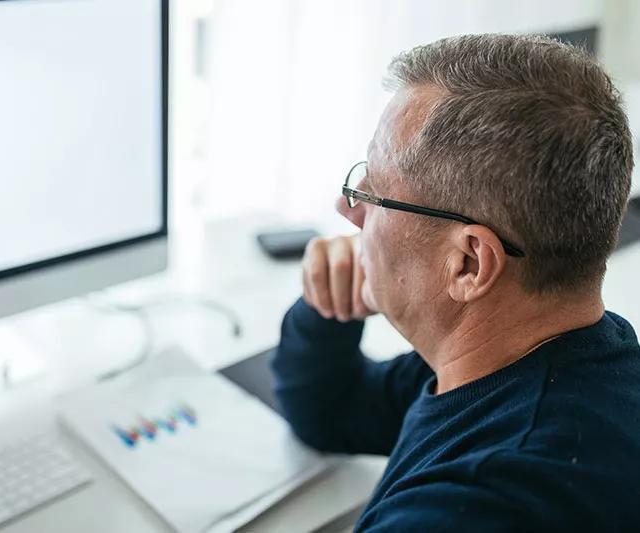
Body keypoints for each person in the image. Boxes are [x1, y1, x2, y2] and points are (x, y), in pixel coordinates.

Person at [271, 33, 640, 531]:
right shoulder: (561, 355)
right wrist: (327, 304)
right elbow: (331, 411)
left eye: (375, 191)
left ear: (468, 264)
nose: (348, 208)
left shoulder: (474, 504)